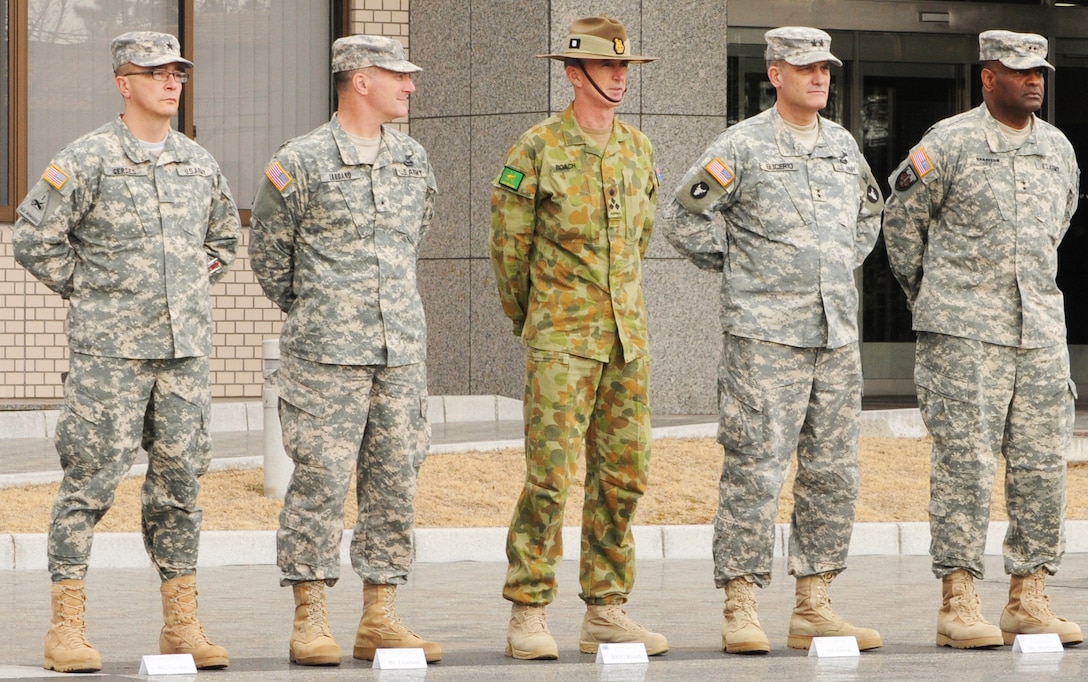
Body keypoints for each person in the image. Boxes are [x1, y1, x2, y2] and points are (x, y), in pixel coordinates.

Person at [12, 32, 238, 673]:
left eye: (178, 72)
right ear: (123, 82)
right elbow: (33, 238)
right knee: (87, 484)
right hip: (110, 357)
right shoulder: (87, 160)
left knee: (180, 488)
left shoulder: (198, 163)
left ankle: (182, 625)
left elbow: (223, 236)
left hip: (184, 356)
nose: (172, 82)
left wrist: (187, 287)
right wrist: (96, 293)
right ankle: (66, 628)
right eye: (157, 72)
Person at [663, 27, 884, 655]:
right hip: (764, 339)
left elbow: (870, 216)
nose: (820, 78)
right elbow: (684, 217)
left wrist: (838, 265)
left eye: (826, 69)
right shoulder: (742, 145)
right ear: (776, 74)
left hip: (835, 337)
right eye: (806, 67)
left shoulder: (843, 146)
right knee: (755, 470)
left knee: (833, 472)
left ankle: (814, 602)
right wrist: (743, 270)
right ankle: (740, 604)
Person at [883, 30, 1083, 650]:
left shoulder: (1057, 148)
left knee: (1042, 466)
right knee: (964, 467)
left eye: (1039, 72)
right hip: (964, 335)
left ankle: (1028, 594)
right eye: (1018, 71)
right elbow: (900, 226)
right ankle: (959, 597)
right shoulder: (948, 144)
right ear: (987, 77)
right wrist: (937, 302)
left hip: (1041, 334)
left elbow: (1061, 222)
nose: (1033, 81)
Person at [249, 35, 440, 667]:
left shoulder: (413, 160)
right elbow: (271, 258)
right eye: (397, 76)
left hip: (400, 353)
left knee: (395, 484)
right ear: (360, 80)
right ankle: (311, 617)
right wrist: (320, 312)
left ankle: (381, 616)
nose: (409, 85)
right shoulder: (299, 161)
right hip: (326, 357)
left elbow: (415, 239)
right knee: (320, 485)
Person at [489, 15, 667, 660]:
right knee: (550, 479)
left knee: (623, 479)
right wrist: (532, 322)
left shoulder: (638, 148)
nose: (621, 78)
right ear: (573, 73)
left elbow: (640, 242)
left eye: (627, 68)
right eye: (609, 67)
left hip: (627, 341)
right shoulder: (536, 148)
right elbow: (509, 248)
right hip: (562, 339)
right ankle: (529, 611)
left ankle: (606, 609)